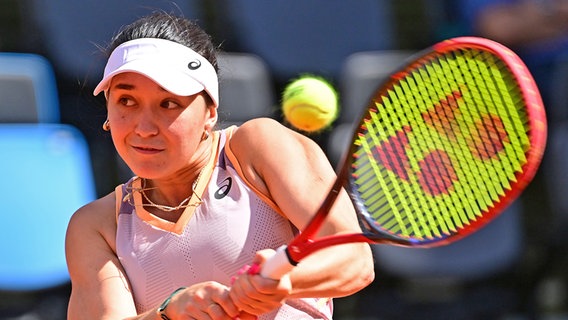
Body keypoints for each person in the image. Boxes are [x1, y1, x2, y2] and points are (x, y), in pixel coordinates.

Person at [65, 12, 374, 320]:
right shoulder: (96, 226)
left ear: (210, 112)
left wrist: (287, 280)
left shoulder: (258, 146)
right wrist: (168, 314)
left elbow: (353, 259)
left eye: (168, 104)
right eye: (126, 101)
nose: (144, 128)